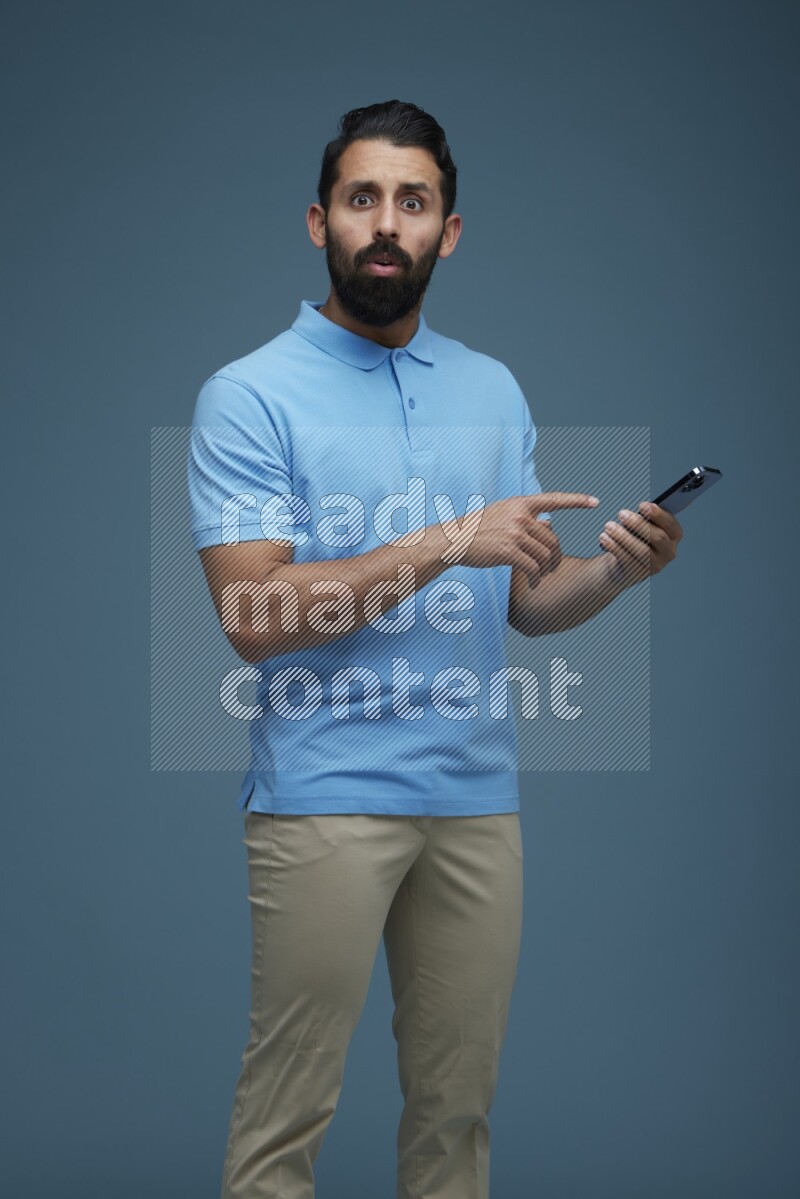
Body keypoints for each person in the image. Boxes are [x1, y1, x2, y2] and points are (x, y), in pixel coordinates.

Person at [188, 99, 682, 1199]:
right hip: (321, 798)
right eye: (362, 198)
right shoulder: (249, 395)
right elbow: (253, 617)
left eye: (412, 202)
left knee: (457, 1116)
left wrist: (613, 572)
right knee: (285, 1120)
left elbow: (525, 601)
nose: (385, 222)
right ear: (318, 220)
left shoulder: (489, 387)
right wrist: (449, 535)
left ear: (446, 231)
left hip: (475, 799)